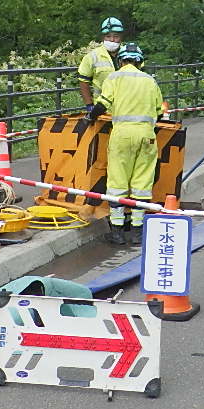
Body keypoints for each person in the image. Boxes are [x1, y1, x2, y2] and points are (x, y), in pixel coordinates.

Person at [89, 42, 163, 245]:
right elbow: (160, 112)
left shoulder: (114, 77)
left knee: (117, 182)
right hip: (146, 136)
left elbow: (102, 104)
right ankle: (138, 231)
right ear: (140, 61)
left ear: (120, 60)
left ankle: (118, 232)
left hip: (121, 135)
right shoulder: (150, 81)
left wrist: (90, 116)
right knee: (142, 184)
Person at [77, 17, 124, 112]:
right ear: (103, 38)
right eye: (108, 36)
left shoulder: (130, 55)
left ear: (121, 37)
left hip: (126, 107)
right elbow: (83, 82)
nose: (112, 40)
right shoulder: (92, 57)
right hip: (102, 110)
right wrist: (89, 105)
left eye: (115, 36)